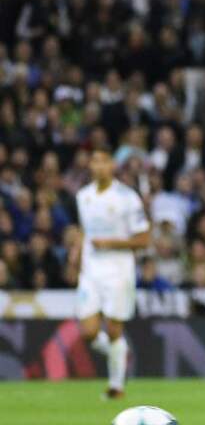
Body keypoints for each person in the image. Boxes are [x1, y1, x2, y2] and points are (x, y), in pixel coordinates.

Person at [75, 146, 151, 399]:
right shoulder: (83, 196)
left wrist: (110, 243)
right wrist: (77, 252)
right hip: (90, 271)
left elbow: (143, 239)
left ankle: (116, 386)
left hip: (118, 271)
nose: (97, 166)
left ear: (112, 166)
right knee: (88, 331)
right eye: (93, 161)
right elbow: (86, 231)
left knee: (115, 330)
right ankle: (119, 354)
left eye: (103, 161)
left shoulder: (127, 197)